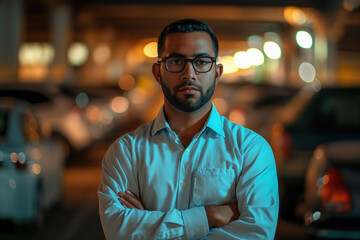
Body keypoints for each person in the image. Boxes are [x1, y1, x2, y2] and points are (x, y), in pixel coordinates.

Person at [98, 18, 279, 240]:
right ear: (157, 72)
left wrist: (150, 226)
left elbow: (257, 234)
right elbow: (119, 231)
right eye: (176, 61)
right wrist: (209, 216)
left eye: (201, 61)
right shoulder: (126, 152)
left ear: (217, 72)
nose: (189, 73)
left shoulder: (251, 150)